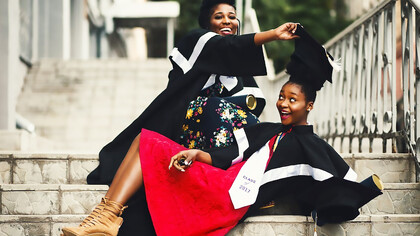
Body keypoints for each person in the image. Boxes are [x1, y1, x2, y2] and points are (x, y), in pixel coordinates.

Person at [62, 24, 382, 236]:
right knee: (144, 139)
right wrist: (197, 153)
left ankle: (106, 217)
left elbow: (338, 186)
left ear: (309, 105)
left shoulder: (310, 145)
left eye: (292, 100)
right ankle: (105, 216)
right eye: (282, 97)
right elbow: (232, 153)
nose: (284, 104)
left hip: (227, 195)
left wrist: (367, 189)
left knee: (146, 145)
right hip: (221, 178)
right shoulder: (270, 130)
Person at [85, 0, 299, 234]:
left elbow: (254, 110)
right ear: (208, 22)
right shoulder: (196, 41)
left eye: (232, 16)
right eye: (219, 16)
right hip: (184, 144)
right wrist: (273, 35)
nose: (227, 20)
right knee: (207, 109)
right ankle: (105, 215)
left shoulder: (241, 75)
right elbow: (225, 47)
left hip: (221, 157)